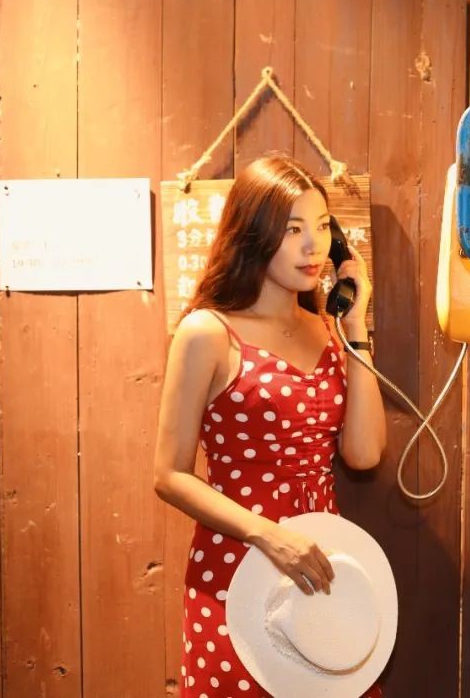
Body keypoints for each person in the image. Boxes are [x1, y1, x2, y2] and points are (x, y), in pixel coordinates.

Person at [153, 153, 387, 697]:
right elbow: (168, 475)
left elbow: (365, 454)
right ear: (253, 235)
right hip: (238, 563)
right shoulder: (207, 332)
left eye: (323, 227)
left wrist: (355, 327)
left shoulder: (330, 330)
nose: (314, 247)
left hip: (324, 568)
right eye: (293, 229)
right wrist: (268, 535)